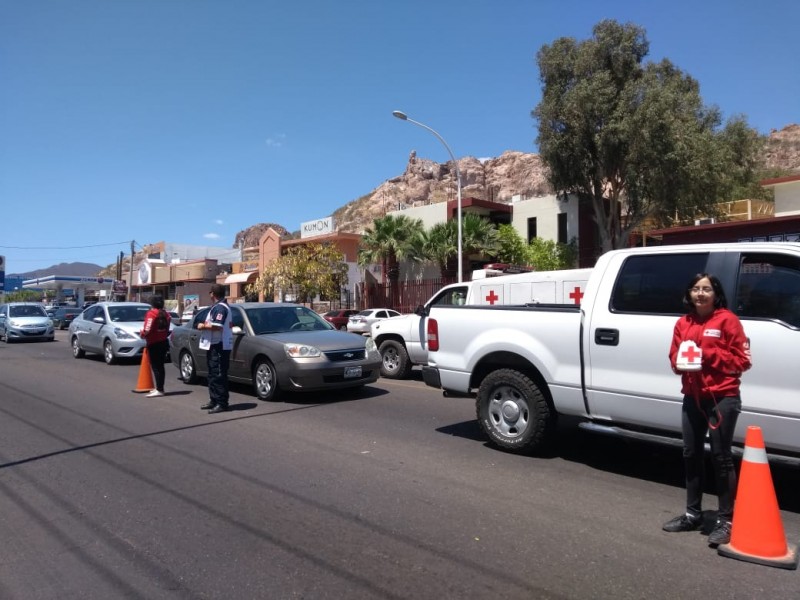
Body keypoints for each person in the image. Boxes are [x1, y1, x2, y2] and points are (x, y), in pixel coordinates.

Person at [663, 273, 751, 546]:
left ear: (716, 294)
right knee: (691, 454)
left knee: (721, 457)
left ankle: (726, 520)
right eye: (696, 289)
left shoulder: (728, 320)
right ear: (689, 294)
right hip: (693, 397)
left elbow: (743, 361)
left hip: (722, 397)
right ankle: (693, 514)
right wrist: (682, 360)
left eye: (707, 289)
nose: (700, 294)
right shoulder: (683, 323)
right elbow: (674, 359)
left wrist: (706, 353)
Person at [196, 284, 233, 414]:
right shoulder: (216, 307)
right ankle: (214, 400)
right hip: (213, 345)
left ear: (213, 294)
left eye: (210, 293)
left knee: (218, 374)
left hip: (220, 345)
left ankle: (222, 403)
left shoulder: (220, 308)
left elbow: (217, 326)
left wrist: (202, 326)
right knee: (212, 374)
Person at [140, 294, 171, 398]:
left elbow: (147, 329)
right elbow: (167, 329)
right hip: (163, 342)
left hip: (154, 343)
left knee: (156, 366)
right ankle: (159, 387)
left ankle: (160, 389)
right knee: (160, 366)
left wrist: (142, 334)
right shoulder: (166, 314)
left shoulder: (151, 313)